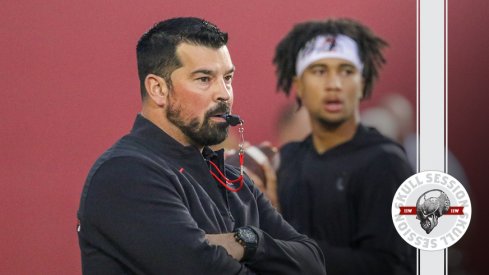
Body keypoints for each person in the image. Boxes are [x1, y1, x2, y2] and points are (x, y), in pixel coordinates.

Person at [77, 17, 326, 275]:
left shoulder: (233, 179)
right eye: (204, 79)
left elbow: (313, 263)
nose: (224, 94)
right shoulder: (125, 173)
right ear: (158, 89)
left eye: (227, 78)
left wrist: (249, 241)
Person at [271, 18, 416, 274]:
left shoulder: (385, 162)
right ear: (299, 85)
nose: (334, 84)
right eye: (319, 71)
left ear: (362, 82)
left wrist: (283, 249)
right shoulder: (288, 159)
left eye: (346, 71)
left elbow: (386, 266)